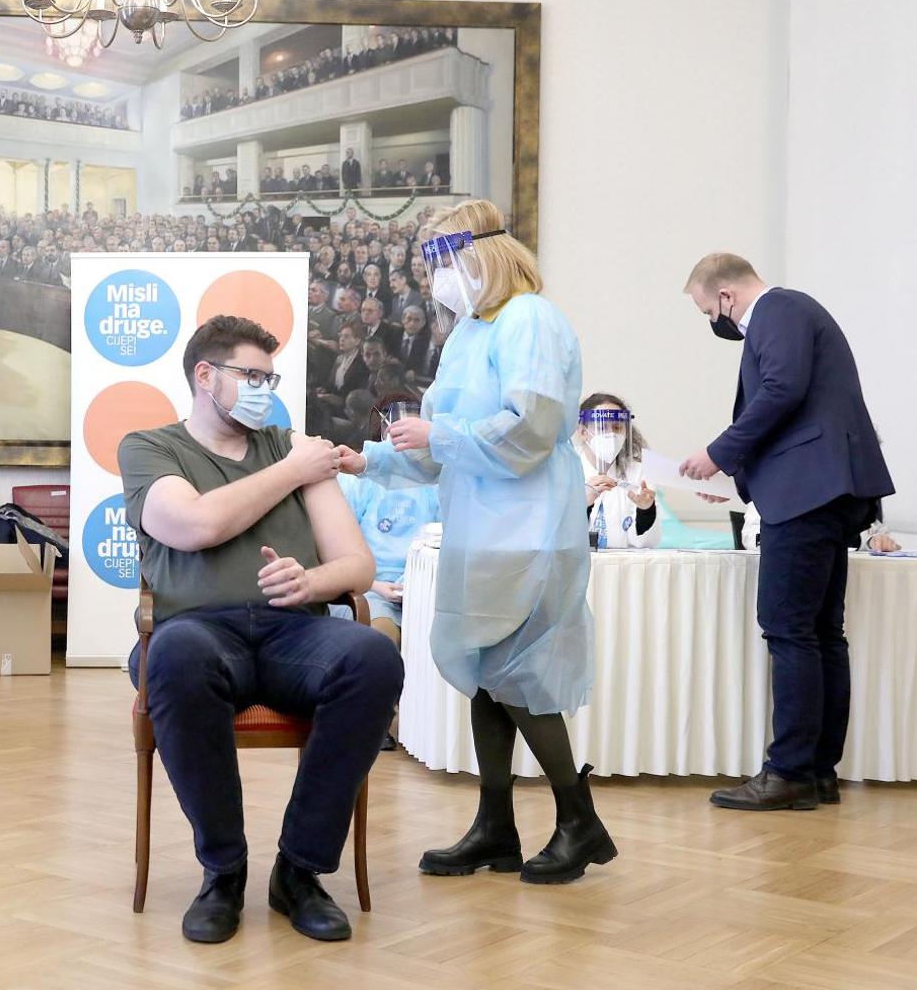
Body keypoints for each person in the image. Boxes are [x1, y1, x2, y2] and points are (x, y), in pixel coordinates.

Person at [339, 199, 612, 885]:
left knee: (520, 675)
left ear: (480, 255)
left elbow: (529, 428)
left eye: (443, 263)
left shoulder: (530, 320)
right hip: (480, 527)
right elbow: (435, 452)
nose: (437, 281)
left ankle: (579, 821)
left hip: (529, 526)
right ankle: (496, 826)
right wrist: (368, 460)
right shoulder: (468, 334)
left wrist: (442, 436)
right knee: (490, 677)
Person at [120, 314, 403, 945]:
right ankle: (223, 872)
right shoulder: (151, 448)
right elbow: (195, 525)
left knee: (372, 657)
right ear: (205, 376)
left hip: (292, 635)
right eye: (251, 376)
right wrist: (295, 470)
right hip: (197, 633)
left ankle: (299, 871)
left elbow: (356, 566)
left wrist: (313, 582)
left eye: (269, 378)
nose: (264, 390)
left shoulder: (293, 448)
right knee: (174, 654)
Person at [680, 252, 894, 811]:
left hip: (807, 495)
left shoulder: (777, 310)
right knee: (821, 631)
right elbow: (796, 413)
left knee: (790, 629)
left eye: (708, 312)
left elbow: (781, 391)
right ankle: (818, 771)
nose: (713, 323)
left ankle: (790, 772)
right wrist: (734, 479)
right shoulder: (794, 313)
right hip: (824, 490)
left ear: (725, 296)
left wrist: (719, 453)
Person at [333, 394, 442, 647]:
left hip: (424, 590)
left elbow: (443, 541)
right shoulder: (358, 480)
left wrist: (416, 585)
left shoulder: (436, 483)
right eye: (400, 428)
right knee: (383, 638)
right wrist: (375, 585)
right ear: (382, 428)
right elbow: (336, 550)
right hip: (370, 590)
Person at [573, 393, 660, 549]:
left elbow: (645, 544)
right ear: (582, 431)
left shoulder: (639, 473)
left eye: (617, 427)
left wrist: (645, 511)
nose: (611, 435)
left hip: (623, 562)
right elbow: (558, 535)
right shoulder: (567, 470)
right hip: (576, 562)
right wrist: (582, 504)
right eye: (602, 427)